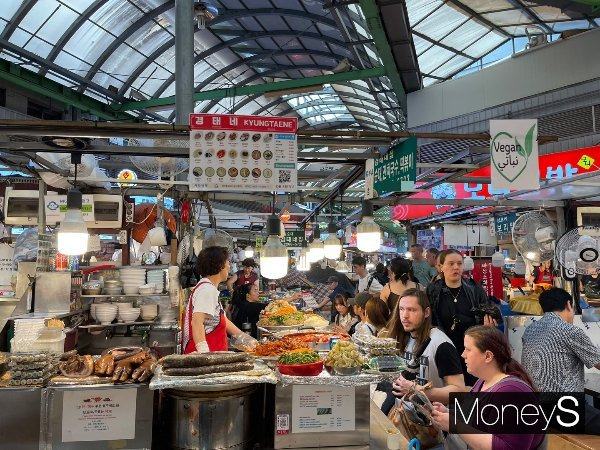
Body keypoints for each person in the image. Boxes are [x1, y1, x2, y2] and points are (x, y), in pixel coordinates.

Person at [432, 326, 544, 450]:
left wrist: (455, 425)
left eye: (468, 349)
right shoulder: (483, 382)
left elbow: (509, 447)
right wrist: (448, 414)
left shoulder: (511, 392)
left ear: (488, 356)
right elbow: (478, 419)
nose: (463, 355)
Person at [522, 287, 600, 434]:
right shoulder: (569, 330)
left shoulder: (530, 330)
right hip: (567, 411)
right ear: (569, 305)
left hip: (539, 410)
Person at [383, 289, 465, 406]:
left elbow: (459, 391)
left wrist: (417, 390)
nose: (405, 316)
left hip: (432, 417)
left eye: (412, 310)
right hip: (403, 413)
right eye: (401, 309)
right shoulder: (404, 337)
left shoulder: (441, 344)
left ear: (426, 312)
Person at [427, 249, 496, 386]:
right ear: (441, 267)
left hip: (472, 349)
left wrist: (488, 326)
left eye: (459, 263)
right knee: (450, 388)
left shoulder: (475, 290)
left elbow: (489, 313)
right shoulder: (432, 291)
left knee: (473, 388)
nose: (456, 267)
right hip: (444, 349)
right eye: (451, 264)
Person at [183, 246, 244, 353]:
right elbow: (197, 321)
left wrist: (247, 340)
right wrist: (204, 354)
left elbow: (223, 321)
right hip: (204, 361)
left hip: (214, 356)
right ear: (220, 266)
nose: (229, 266)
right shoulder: (207, 290)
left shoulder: (207, 287)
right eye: (228, 262)